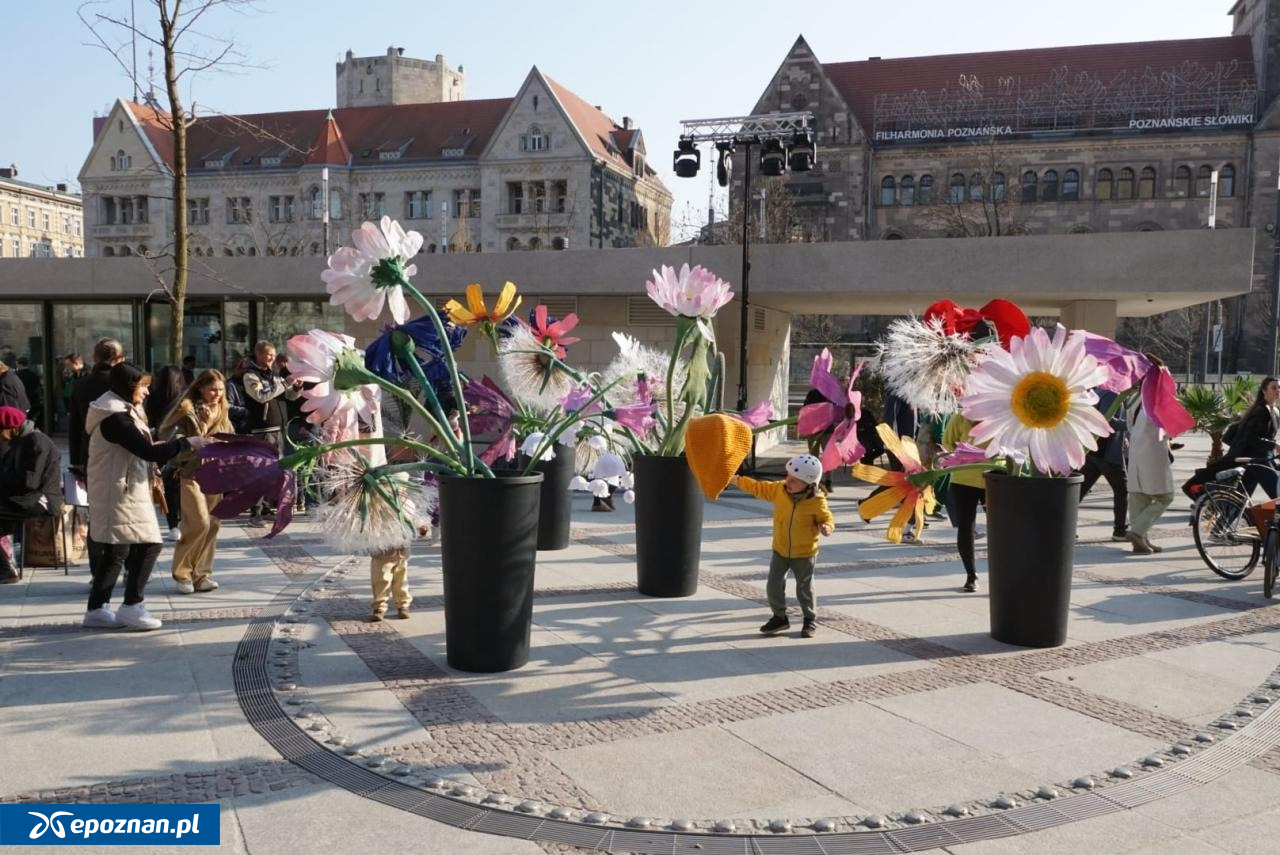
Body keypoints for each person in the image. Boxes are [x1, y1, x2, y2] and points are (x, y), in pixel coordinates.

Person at [82, 362, 211, 631]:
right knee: (150, 544)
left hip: (120, 488)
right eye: (143, 386)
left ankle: (96, 609)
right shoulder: (115, 417)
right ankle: (132, 606)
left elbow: (140, 447)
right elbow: (147, 451)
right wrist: (187, 443)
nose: (147, 392)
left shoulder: (118, 410)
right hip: (120, 491)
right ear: (128, 386)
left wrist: (161, 444)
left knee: (116, 550)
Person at [733, 453, 834, 638]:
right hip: (780, 549)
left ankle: (809, 619)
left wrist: (827, 527)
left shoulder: (817, 502)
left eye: (794, 480)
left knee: (804, 588)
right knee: (773, 586)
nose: (788, 481)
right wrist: (737, 480)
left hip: (804, 553)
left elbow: (826, 518)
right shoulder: (779, 490)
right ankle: (779, 617)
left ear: (809, 484)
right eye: (788, 476)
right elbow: (758, 487)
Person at [160, 370, 232, 594]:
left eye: (220, 390)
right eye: (212, 390)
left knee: (213, 524)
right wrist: (198, 437)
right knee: (198, 523)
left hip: (215, 473)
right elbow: (167, 437)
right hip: (190, 472)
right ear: (200, 388)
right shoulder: (186, 409)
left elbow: (230, 435)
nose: (217, 394)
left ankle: (202, 574)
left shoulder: (222, 409)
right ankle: (182, 573)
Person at [242, 340, 301, 525]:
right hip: (262, 430)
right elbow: (261, 396)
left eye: (273, 355)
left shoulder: (273, 375)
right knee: (259, 472)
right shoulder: (250, 376)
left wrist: (296, 388)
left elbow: (288, 396)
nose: (271, 358)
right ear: (258, 354)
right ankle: (255, 512)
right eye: (268, 354)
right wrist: (284, 383)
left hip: (278, 430)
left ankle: (267, 507)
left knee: (273, 472)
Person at [0, 406, 61, 583]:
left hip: (38, 500)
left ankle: (6, 571)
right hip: (24, 497)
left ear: (9, 428)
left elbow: (29, 482)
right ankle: (5, 569)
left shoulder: (35, 441)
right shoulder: (21, 441)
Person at [942, 413, 989, 592]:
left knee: (1000, 528)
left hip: (992, 478)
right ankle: (971, 575)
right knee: (966, 527)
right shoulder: (960, 418)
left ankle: (1002, 573)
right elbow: (947, 443)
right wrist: (962, 455)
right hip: (963, 479)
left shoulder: (997, 415)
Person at [1125, 390, 1175, 555]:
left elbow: (1129, 423)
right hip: (1154, 451)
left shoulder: (1136, 398)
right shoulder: (1162, 398)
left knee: (1138, 497)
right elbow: (1171, 428)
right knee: (1165, 496)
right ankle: (1137, 532)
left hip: (1135, 448)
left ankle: (1141, 541)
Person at [1079, 388, 1130, 543]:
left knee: (1079, 491)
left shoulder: (1101, 391)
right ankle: (1120, 531)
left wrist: (1122, 436)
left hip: (1095, 450)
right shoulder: (1112, 394)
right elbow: (1107, 420)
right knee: (1122, 491)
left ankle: (1061, 526)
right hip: (1108, 453)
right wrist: (1131, 424)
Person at [69, 338, 125, 476]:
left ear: (95, 357)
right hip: (122, 449)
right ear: (120, 359)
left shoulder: (80, 385)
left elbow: (75, 425)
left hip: (89, 450)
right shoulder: (124, 384)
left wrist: (75, 459)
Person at [146, 364, 187, 540]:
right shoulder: (184, 398)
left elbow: (149, 420)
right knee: (184, 484)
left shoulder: (154, 397)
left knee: (169, 485)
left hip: (161, 444)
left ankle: (173, 525)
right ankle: (183, 520)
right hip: (182, 444)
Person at [1224, 376, 1280, 501]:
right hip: (1256, 458)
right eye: (1274, 388)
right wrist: (1274, 445)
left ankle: (1226, 514)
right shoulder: (1260, 411)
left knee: (1240, 498)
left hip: (1262, 458)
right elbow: (1250, 437)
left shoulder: (1275, 410)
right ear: (1264, 391)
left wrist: (1273, 451)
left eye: (1279, 387)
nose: (1278, 390)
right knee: (1277, 492)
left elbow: (1267, 437)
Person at [14, 357, 42, 429]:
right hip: (32, 400)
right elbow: (38, 387)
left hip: (21, 401)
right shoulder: (33, 375)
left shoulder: (16, 376)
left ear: (19, 364)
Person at [62, 353, 87, 432]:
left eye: (68, 365)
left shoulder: (87, 374)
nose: (67, 367)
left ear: (76, 363)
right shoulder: (75, 375)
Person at [225, 358, 249, 434]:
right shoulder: (231, 385)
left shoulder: (249, 384)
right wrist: (246, 411)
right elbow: (228, 407)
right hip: (239, 426)